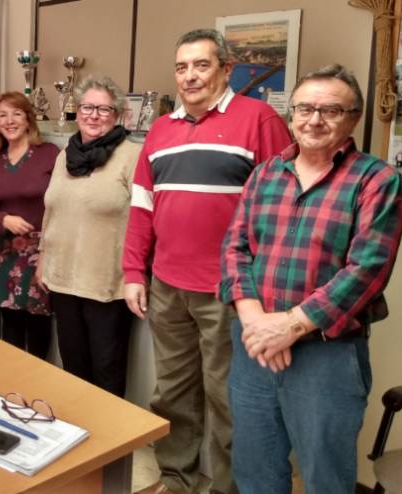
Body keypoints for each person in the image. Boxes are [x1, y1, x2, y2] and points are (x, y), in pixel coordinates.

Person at [123, 29, 291, 494]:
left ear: (226, 68)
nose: (190, 76)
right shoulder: (161, 129)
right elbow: (141, 207)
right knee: (172, 392)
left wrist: (262, 286)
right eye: (182, 67)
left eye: (201, 65)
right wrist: (134, 272)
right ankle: (176, 477)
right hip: (167, 286)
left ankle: (227, 486)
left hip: (231, 291)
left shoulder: (258, 119)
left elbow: (280, 209)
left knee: (229, 398)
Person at [220, 64, 402, 493]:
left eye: (330, 110)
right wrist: (257, 324)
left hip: (327, 356)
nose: (314, 120)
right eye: (304, 108)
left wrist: (291, 326)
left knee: (326, 480)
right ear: (292, 114)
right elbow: (234, 248)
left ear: (353, 118)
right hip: (254, 348)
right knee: (255, 474)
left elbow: (366, 270)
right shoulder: (265, 173)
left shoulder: (377, 180)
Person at [37, 75, 140, 396]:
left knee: (107, 374)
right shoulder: (64, 155)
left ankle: (111, 432)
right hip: (63, 281)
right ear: (77, 111)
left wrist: (138, 273)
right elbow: (52, 210)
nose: (94, 116)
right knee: (74, 370)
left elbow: (143, 219)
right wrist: (43, 258)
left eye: (103, 109)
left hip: (106, 285)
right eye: (87, 108)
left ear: (118, 114)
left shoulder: (132, 156)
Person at [0, 91, 58, 358]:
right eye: (2, 115)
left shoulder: (49, 154)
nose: (9, 121)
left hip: (41, 255)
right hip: (6, 256)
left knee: (38, 332)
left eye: (16, 113)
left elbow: (61, 203)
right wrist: (4, 219)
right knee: (10, 334)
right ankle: (11, 383)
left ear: (28, 119)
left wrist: (47, 252)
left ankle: (38, 384)